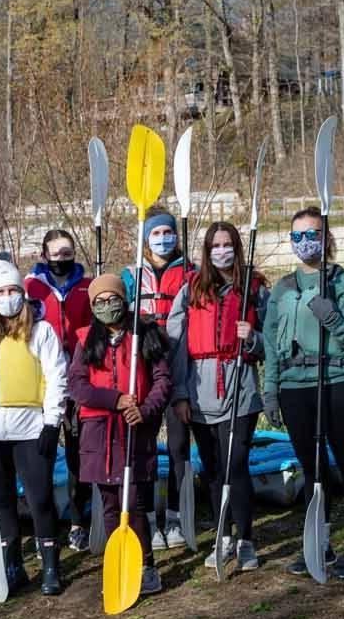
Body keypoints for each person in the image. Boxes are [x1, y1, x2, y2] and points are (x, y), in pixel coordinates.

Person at [261, 207, 344, 580]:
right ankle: (320, 541)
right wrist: (271, 390)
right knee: (312, 468)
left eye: (311, 234)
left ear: (325, 239)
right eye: (296, 236)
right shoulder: (282, 288)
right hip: (295, 388)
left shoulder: (343, 285)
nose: (303, 242)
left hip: (335, 380)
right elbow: (271, 343)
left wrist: (333, 318)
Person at [0, 258, 69, 594]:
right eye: (1, 292)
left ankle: (50, 566)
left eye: (13, 290)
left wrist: (52, 423)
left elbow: (57, 377)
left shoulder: (41, 330)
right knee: (2, 500)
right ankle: (13, 564)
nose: (8, 297)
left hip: (32, 430)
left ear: (22, 293)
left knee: (39, 499)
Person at [169, 221, 266, 574]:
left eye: (228, 244)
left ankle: (246, 538)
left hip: (241, 387)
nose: (222, 250)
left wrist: (252, 337)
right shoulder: (190, 290)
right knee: (212, 468)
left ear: (237, 247)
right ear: (207, 251)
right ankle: (223, 535)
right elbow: (177, 346)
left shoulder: (254, 288)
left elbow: (273, 343)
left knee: (234, 464)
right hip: (199, 390)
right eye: (215, 245)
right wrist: (179, 393)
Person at [68, 273, 171, 595]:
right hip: (99, 432)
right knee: (111, 503)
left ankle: (146, 564)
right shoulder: (87, 340)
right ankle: (121, 561)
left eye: (112, 298)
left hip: (134, 429)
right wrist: (113, 399)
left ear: (123, 299)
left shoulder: (146, 334)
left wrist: (144, 409)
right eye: (99, 301)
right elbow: (77, 386)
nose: (106, 305)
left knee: (135, 501)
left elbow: (162, 381)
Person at [121, 208, 194, 549]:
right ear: (145, 239)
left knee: (179, 445)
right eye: (156, 234)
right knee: (145, 448)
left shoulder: (190, 273)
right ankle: (149, 520)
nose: (164, 239)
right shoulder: (131, 276)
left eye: (169, 232)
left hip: (180, 366)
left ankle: (177, 518)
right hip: (145, 370)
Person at [25, 229, 94, 551]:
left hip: (80, 379)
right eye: (55, 253)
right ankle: (46, 526)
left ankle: (79, 520)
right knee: (42, 455)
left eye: (67, 252)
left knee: (78, 456)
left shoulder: (87, 285)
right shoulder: (31, 288)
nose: (62, 259)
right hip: (42, 382)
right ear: (44, 255)